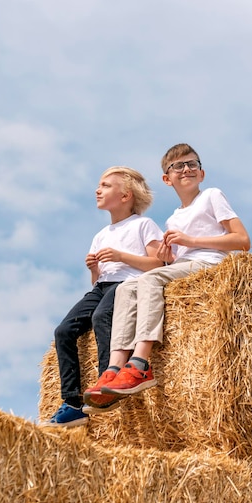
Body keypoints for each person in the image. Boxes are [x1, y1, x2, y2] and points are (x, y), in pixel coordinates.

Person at [84, 143, 251, 412]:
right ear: (167, 178)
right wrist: (168, 255)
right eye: (178, 166)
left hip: (208, 264)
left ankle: (140, 364)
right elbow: (174, 261)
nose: (186, 169)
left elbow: (242, 241)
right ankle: (114, 367)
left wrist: (191, 240)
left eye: (192, 164)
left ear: (202, 172)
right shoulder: (173, 219)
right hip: (184, 267)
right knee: (127, 287)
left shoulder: (211, 195)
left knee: (149, 280)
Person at [42, 166, 163, 428]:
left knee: (102, 317)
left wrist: (122, 257)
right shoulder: (101, 235)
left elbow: (159, 263)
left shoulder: (143, 225)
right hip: (101, 287)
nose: (98, 189)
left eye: (106, 185)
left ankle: (108, 381)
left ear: (126, 195)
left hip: (128, 285)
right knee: (63, 331)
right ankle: (73, 402)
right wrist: (94, 269)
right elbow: (96, 282)